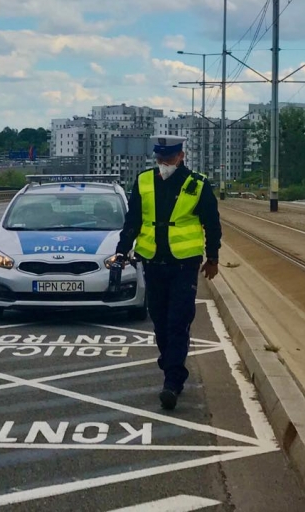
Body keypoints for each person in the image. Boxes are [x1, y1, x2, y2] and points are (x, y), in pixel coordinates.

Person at [115, 135, 222, 411]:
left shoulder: (197, 184)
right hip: (152, 262)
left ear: (181, 156)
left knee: (178, 322)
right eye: (160, 158)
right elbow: (133, 220)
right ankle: (170, 363)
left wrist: (213, 257)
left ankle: (173, 381)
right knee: (160, 323)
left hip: (184, 264)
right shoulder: (143, 181)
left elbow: (212, 222)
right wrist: (121, 250)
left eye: (169, 158)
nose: (164, 163)